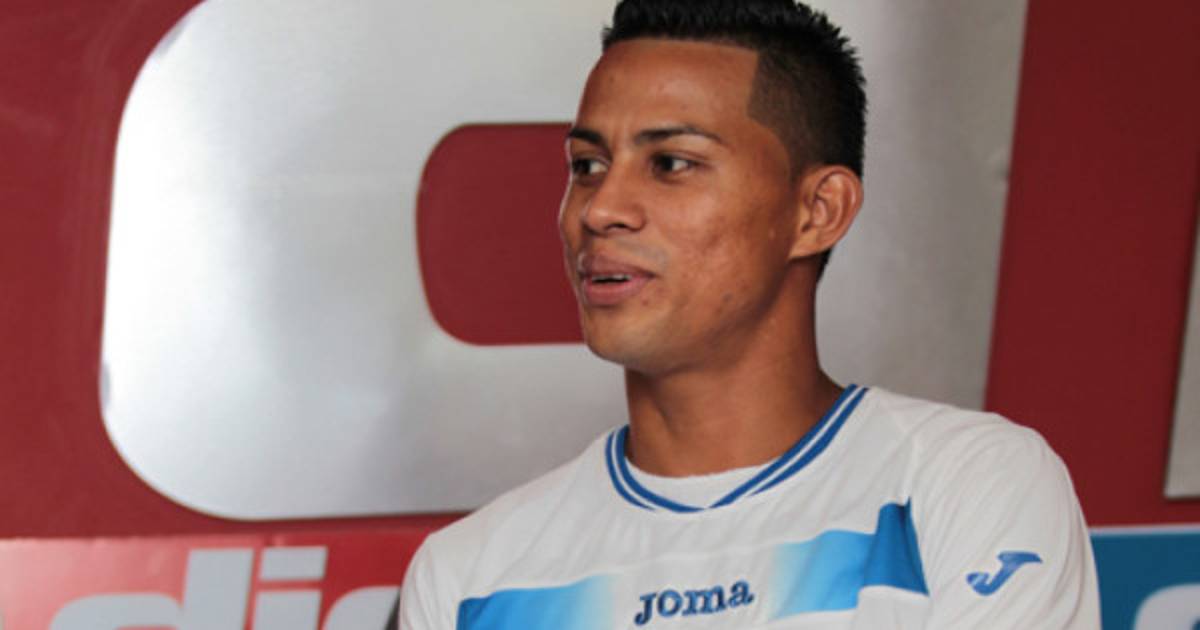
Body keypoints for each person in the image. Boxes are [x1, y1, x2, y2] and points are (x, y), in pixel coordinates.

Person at [398, 0, 1100, 627]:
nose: (601, 208)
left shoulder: (966, 485)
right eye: (587, 165)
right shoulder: (470, 578)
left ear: (817, 211)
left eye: (671, 163)